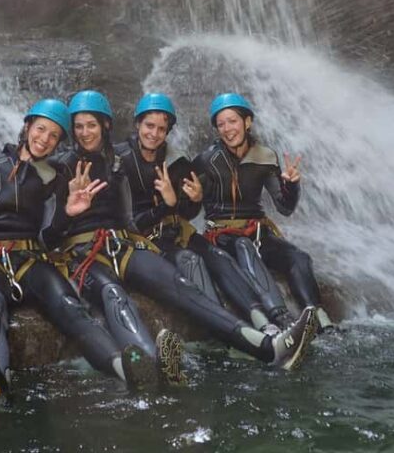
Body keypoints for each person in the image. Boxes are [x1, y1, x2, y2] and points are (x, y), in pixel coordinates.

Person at [52, 90, 316, 372]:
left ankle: (268, 342)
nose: (84, 132)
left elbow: (137, 219)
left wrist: (190, 199)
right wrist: (70, 211)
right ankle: (150, 367)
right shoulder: (77, 164)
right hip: (96, 251)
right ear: (137, 125)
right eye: (78, 126)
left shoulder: (117, 164)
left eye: (91, 125)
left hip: (127, 245)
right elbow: (61, 228)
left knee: (189, 281)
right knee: (119, 291)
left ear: (105, 125)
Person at [0, 99, 174, 403]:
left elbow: (48, 237)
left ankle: (128, 371)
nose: (44, 139)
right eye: (40, 129)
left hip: (32, 259)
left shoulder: (54, 176)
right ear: (27, 126)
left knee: (70, 305)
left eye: (53, 135)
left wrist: (69, 212)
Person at [115, 93, 280, 334]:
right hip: (146, 240)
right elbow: (129, 223)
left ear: (168, 131)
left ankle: (265, 323)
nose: (154, 133)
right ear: (138, 124)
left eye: (162, 129)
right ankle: (231, 330)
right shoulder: (122, 160)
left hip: (178, 231)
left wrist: (195, 200)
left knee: (219, 257)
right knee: (191, 261)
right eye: (149, 126)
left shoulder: (177, 161)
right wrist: (167, 204)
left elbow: (188, 213)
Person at [192, 93, 336, 332]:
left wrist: (291, 185)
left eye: (233, 121)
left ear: (247, 122)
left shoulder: (265, 156)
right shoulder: (206, 160)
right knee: (243, 247)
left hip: (258, 232)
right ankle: (282, 320)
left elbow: (284, 207)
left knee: (299, 258)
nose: (227, 129)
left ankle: (320, 320)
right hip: (223, 236)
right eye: (221, 124)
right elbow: (189, 208)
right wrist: (194, 197)